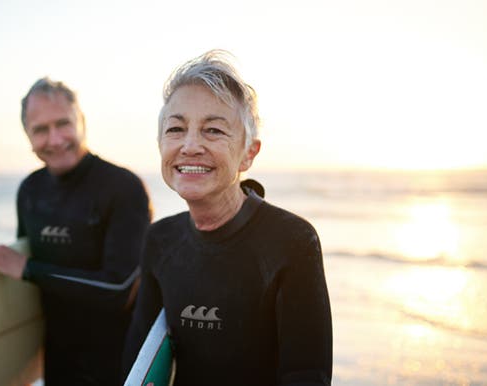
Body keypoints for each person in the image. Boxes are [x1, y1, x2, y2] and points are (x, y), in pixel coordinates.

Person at [122, 50, 332, 385]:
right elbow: (139, 360)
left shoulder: (292, 241)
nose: (190, 145)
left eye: (214, 131)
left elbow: (307, 375)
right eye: (176, 128)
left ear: (249, 153)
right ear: (160, 144)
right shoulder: (160, 240)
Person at [0, 78, 151, 385]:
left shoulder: (122, 187)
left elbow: (118, 289)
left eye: (63, 124)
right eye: (40, 129)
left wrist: (26, 269)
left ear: (82, 122)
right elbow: (28, 296)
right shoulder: (30, 191)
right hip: (57, 365)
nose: (54, 140)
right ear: (27, 135)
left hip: (117, 364)